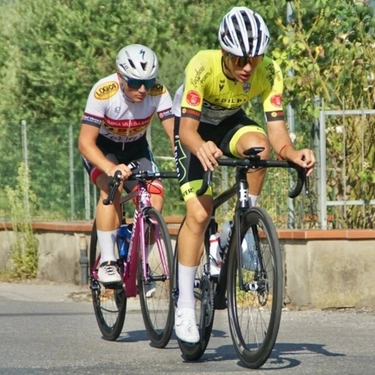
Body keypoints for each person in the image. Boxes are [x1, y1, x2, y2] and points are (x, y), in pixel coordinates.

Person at [173, 6, 315, 343]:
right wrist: (200, 147)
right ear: (224, 51)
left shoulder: (269, 71)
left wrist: (294, 154)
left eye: (255, 58)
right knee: (198, 211)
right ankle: (184, 307)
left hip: (229, 121)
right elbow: (189, 130)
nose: (249, 67)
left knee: (260, 148)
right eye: (240, 60)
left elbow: (277, 134)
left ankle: (240, 224)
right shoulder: (201, 64)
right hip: (193, 127)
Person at [78, 44, 174, 284]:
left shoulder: (159, 93)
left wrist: (186, 160)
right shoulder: (103, 91)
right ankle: (108, 262)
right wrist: (110, 168)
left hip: (136, 148)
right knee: (111, 186)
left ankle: (140, 263)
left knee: (156, 197)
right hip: (102, 149)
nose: (142, 90)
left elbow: (176, 136)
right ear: (120, 77)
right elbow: (85, 142)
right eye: (134, 83)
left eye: (148, 83)